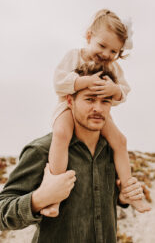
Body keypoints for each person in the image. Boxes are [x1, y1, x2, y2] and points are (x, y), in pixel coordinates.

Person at [0, 63, 146, 243]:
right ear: (70, 101)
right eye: (90, 99)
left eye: (105, 101)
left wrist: (122, 197)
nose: (98, 109)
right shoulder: (42, 150)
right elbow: (2, 211)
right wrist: (39, 199)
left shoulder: (113, 152)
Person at [43, 9, 151, 217]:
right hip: (68, 105)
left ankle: (130, 192)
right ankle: (53, 196)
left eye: (113, 51)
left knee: (120, 140)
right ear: (89, 36)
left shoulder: (113, 68)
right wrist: (82, 82)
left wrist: (114, 90)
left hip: (98, 111)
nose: (106, 54)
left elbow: (125, 91)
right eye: (102, 46)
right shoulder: (74, 56)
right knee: (62, 134)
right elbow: (58, 83)